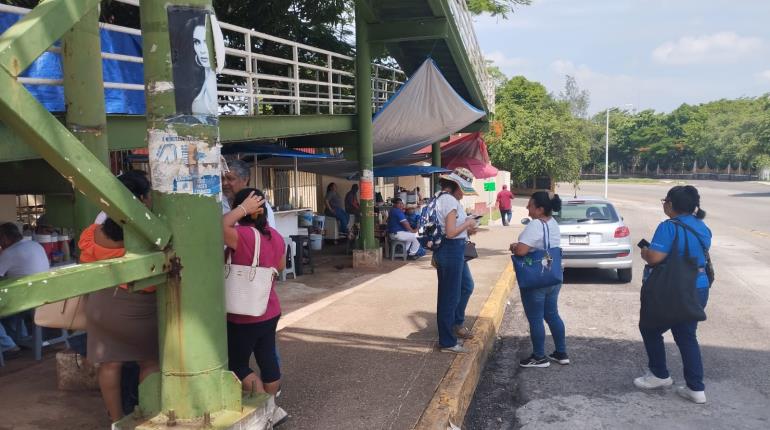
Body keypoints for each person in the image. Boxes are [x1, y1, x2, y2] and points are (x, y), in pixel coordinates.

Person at [81, 172, 159, 422]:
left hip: (101, 306)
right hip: (139, 306)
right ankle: (147, 414)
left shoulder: (92, 233)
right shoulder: (150, 235)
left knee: (110, 364)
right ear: (145, 199)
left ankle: (116, 421)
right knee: (149, 362)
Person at [635, 185, 712, 404]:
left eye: (665, 201)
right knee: (687, 335)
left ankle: (659, 374)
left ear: (671, 204)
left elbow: (655, 258)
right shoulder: (702, 226)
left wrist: (645, 252)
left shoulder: (668, 227)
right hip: (698, 286)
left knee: (649, 327)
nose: (664, 205)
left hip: (673, 288)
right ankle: (696, 388)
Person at [222, 188, 287, 421]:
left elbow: (218, 227)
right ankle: (272, 408)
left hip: (244, 314)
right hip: (269, 309)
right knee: (267, 357)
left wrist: (240, 210)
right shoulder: (276, 236)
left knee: (237, 365)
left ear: (244, 209)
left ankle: (263, 408)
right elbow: (278, 267)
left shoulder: (244, 236)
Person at [509, 191, 568, 368]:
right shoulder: (553, 223)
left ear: (540, 209)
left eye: (530, 205)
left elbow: (521, 251)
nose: (527, 207)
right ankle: (561, 352)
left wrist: (514, 246)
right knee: (552, 314)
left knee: (535, 318)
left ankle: (539, 357)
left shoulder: (535, 225)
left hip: (536, 279)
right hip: (553, 276)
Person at [432, 168, 479, 354]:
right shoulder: (449, 201)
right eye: (463, 189)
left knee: (463, 287)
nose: (463, 193)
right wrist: (467, 223)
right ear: (456, 186)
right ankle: (447, 342)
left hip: (451, 250)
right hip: (451, 250)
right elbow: (451, 232)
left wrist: (467, 227)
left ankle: (454, 326)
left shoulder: (440, 198)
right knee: (448, 298)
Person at [0, 222, 50, 359]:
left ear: (4, 238)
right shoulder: (35, 245)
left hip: (27, 300)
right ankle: (21, 336)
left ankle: (8, 345)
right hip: (45, 295)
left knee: (8, 305)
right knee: (9, 307)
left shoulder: (9, 253)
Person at [222, 159, 275, 227]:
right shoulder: (217, 203)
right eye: (222, 179)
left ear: (245, 180)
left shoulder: (259, 204)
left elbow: (268, 234)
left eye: (230, 178)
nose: (224, 183)